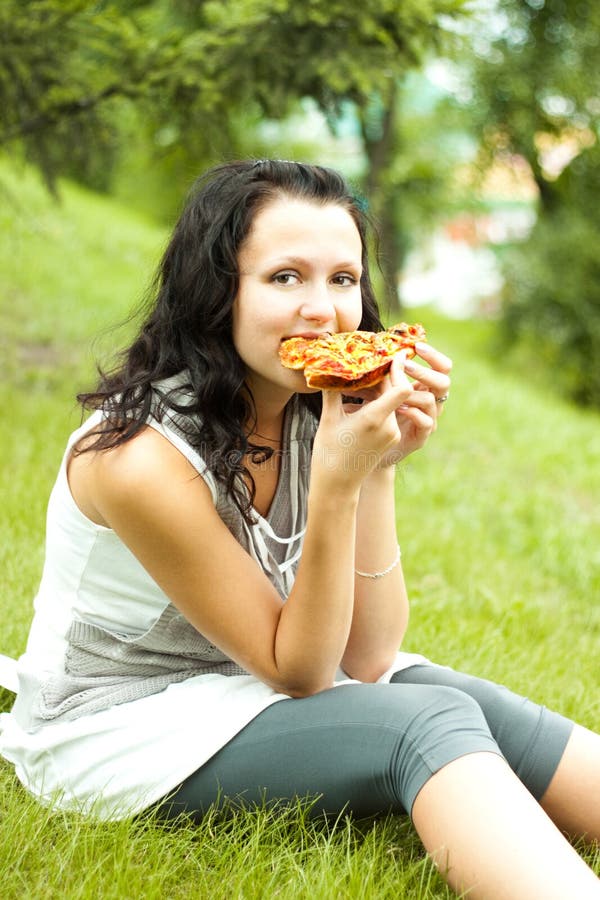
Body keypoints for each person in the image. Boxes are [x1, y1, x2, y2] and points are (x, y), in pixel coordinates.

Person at [0, 160, 598, 899]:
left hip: (246, 683)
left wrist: (375, 468)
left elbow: (369, 656)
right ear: (218, 292)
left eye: (343, 279)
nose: (325, 310)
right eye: (285, 278)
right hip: (122, 728)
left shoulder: (309, 406)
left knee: (465, 699)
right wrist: (342, 483)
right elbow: (302, 671)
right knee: (425, 722)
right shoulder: (137, 460)